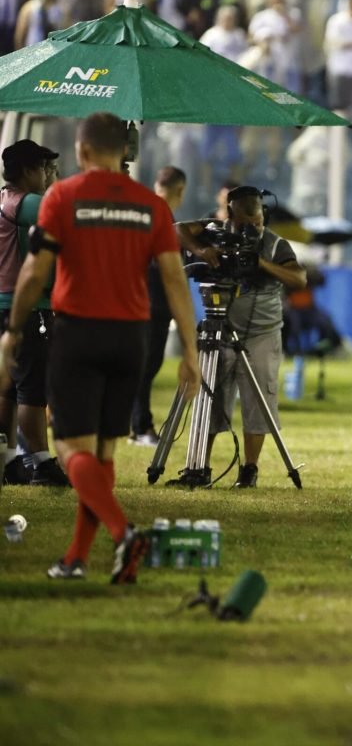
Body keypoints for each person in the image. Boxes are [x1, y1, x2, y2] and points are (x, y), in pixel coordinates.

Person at [0, 112, 200, 582]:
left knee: (71, 453)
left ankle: (124, 531)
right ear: (125, 152)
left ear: (82, 151)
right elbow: (173, 278)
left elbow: (33, 271)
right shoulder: (149, 205)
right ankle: (75, 558)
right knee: (103, 456)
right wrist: (189, 349)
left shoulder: (63, 197)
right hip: (131, 336)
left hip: (79, 334)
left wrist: (12, 329)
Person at [175, 188, 306, 489]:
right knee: (209, 398)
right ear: (229, 215)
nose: (252, 226)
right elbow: (176, 230)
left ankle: (249, 469)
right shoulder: (215, 232)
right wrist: (202, 250)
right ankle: (198, 466)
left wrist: (261, 264)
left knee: (258, 402)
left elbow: (299, 279)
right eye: (245, 220)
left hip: (262, 334)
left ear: (263, 215)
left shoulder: (274, 244)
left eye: (257, 219)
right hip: (218, 330)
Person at [0, 139, 68, 487]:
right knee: (32, 389)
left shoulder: (6, 200)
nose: (46, 175)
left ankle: (9, 459)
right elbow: (64, 214)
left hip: (5, 305)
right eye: (43, 168)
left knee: (9, 388)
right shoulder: (26, 203)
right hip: (24, 307)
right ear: (28, 171)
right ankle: (41, 463)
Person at [129, 166, 187, 447]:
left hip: (138, 298)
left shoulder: (144, 208)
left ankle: (135, 425)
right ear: (181, 190)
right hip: (155, 300)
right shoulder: (162, 213)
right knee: (146, 365)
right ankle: (141, 426)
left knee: (144, 365)